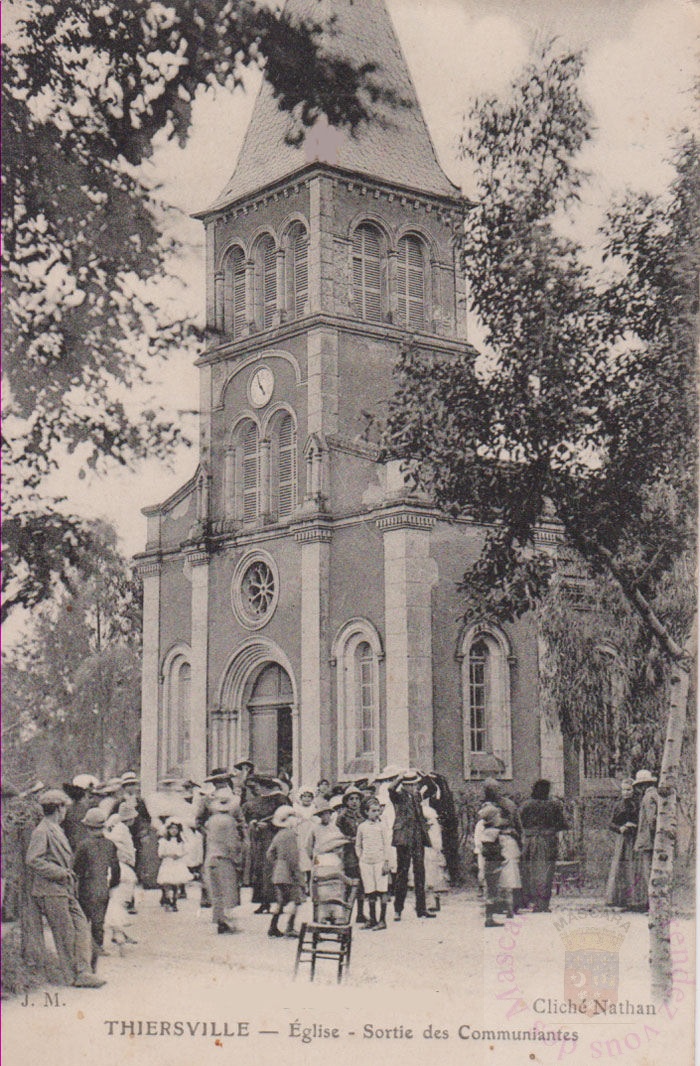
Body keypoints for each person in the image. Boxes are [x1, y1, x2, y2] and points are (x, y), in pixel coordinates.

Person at [25, 789, 105, 988]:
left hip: (63, 889)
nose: (66, 812)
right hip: (50, 889)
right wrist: (60, 872)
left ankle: (83, 971)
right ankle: (74, 975)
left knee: (81, 929)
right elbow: (33, 859)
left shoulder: (55, 829)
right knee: (65, 934)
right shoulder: (42, 831)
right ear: (58, 808)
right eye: (64, 807)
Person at [72, 807, 120, 967]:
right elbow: (115, 869)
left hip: (86, 886)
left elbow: (76, 869)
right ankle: (97, 950)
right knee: (99, 920)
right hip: (102, 887)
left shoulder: (83, 845)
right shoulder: (110, 844)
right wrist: (112, 884)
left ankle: (84, 951)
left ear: (87, 827)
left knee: (84, 920)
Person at [389, 769, 435, 921]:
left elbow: (432, 788)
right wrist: (400, 777)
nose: (413, 787)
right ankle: (398, 910)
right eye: (410, 784)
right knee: (402, 874)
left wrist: (424, 776)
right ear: (404, 785)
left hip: (417, 838)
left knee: (420, 873)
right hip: (403, 838)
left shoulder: (417, 796)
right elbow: (391, 789)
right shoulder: (399, 796)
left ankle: (421, 909)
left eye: (414, 784)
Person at [519, 779, 568, 912]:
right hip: (548, 841)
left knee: (529, 871)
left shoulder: (526, 805)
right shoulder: (554, 805)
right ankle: (543, 904)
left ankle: (528, 901)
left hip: (530, 842)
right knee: (546, 872)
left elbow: (519, 823)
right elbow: (563, 824)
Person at [243, 777, 291, 914]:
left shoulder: (281, 799)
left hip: (274, 838)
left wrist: (270, 825)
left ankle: (278, 903)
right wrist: (253, 822)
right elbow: (252, 814)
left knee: (273, 871)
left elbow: (286, 817)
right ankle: (264, 902)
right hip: (260, 839)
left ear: (267, 787)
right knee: (260, 870)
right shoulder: (260, 799)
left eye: (259, 786)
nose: (257, 789)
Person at [203, 789, 244, 935]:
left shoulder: (211, 821)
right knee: (228, 890)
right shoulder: (230, 822)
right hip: (224, 858)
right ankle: (228, 921)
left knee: (216, 892)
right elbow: (232, 842)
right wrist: (237, 859)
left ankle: (219, 920)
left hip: (211, 857)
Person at [266, 807, 303, 938]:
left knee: (280, 901)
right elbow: (293, 858)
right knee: (295, 900)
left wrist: (277, 864)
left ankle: (273, 926)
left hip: (278, 872)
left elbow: (269, 854)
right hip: (289, 873)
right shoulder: (291, 835)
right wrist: (298, 876)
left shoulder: (278, 835)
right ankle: (290, 927)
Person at [103, 809, 138, 949]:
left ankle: (119, 932)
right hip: (122, 866)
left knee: (118, 899)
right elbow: (113, 842)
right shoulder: (121, 830)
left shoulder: (121, 829)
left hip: (123, 865)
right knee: (119, 900)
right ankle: (118, 932)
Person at [355, 797, 391, 930]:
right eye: (373, 811)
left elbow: (387, 845)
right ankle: (372, 919)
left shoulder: (382, 826)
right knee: (370, 891)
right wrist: (361, 858)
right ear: (366, 812)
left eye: (378, 810)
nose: (376, 813)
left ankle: (382, 920)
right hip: (366, 863)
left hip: (380, 862)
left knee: (382, 890)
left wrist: (386, 862)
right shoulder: (362, 827)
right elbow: (358, 845)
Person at [335, 785, 368, 923]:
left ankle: (360, 913)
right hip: (349, 853)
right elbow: (336, 834)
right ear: (346, 801)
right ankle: (345, 912)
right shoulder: (342, 817)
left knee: (362, 883)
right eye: (351, 799)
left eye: (357, 799)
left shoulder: (363, 816)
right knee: (349, 883)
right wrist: (350, 839)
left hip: (363, 853)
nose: (354, 802)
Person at [605, 778, 638, 909]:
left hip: (635, 838)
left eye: (628, 790)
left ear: (633, 790)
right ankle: (617, 898)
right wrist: (620, 828)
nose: (626, 792)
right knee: (619, 867)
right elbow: (610, 823)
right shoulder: (618, 805)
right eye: (624, 790)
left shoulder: (638, 804)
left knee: (633, 868)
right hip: (623, 839)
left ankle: (633, 900)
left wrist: (634, 825)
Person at [632, 769, 659, 912]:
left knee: (648, 873)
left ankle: (652, 907)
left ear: (642, 785)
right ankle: (653, 905)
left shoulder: (648, 797)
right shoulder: (656, 794)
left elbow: (651, 820)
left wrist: (653, 836)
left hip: (647, 841)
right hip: (652, 840)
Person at [478, 803, 505, 927]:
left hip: (492, 862)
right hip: (492, 863)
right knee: (491, 889)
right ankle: (489, 918)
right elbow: (487, 849)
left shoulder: (489, 830)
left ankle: (491, 916)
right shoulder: (491, 832)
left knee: (492, 889)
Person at [157, 819, 193, 912]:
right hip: (168, 863)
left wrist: (179, 855)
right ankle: (167, 899)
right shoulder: (164, 841)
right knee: (167, 882)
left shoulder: (181, 841)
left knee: (176, 883)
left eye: (176, 829)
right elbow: (160, 853)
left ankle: (174, 902)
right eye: (171, 828)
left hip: (178, 863)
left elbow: (186, 850)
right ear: (168, 830)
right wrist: (169, 855)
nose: (174, 831)